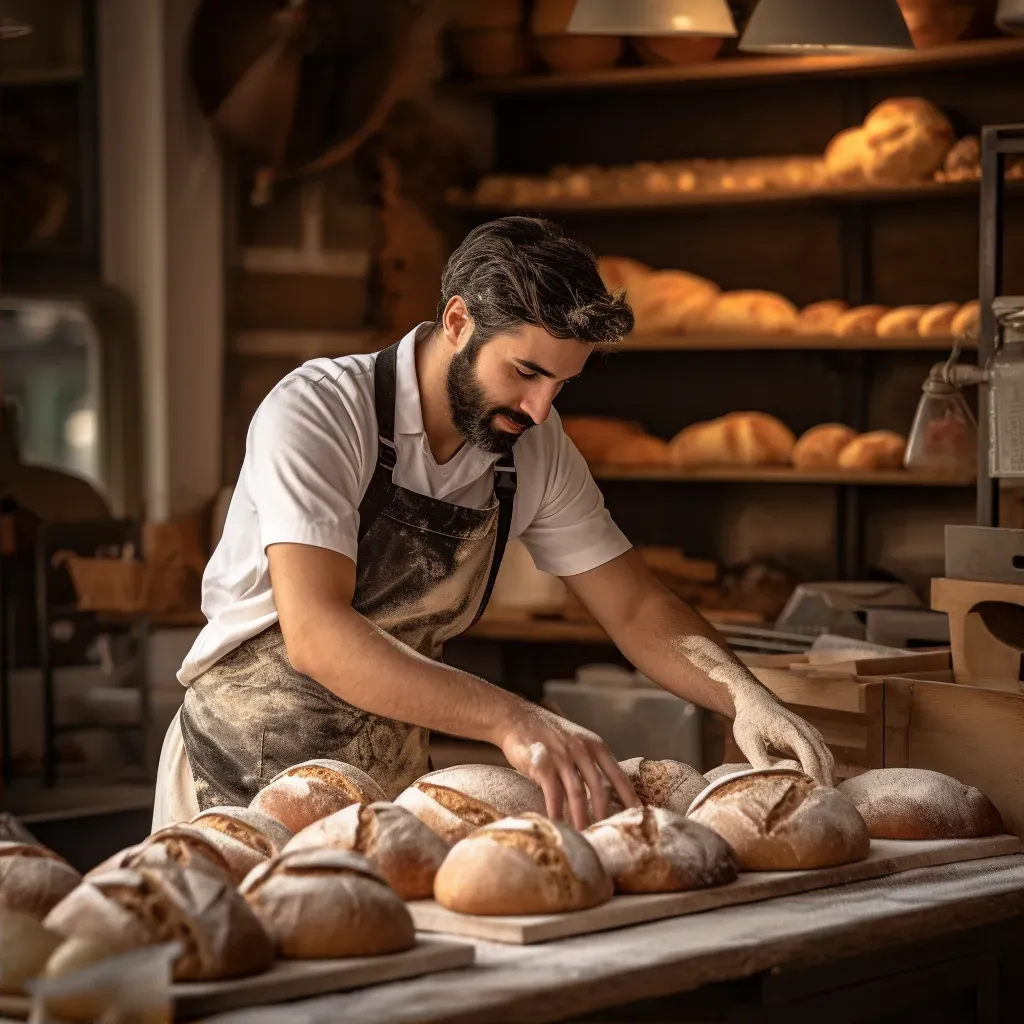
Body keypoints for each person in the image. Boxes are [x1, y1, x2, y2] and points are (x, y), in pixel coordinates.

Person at [153, 216, 833, 833]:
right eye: (526, 373)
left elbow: (635, 605)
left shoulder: (531, 444)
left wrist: (743, 696)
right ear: (457, 321)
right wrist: (514, 718)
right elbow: (317, 635)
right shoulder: (323, 411)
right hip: (238, 774)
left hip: (385, 793)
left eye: (561, 385)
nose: (539, 408)